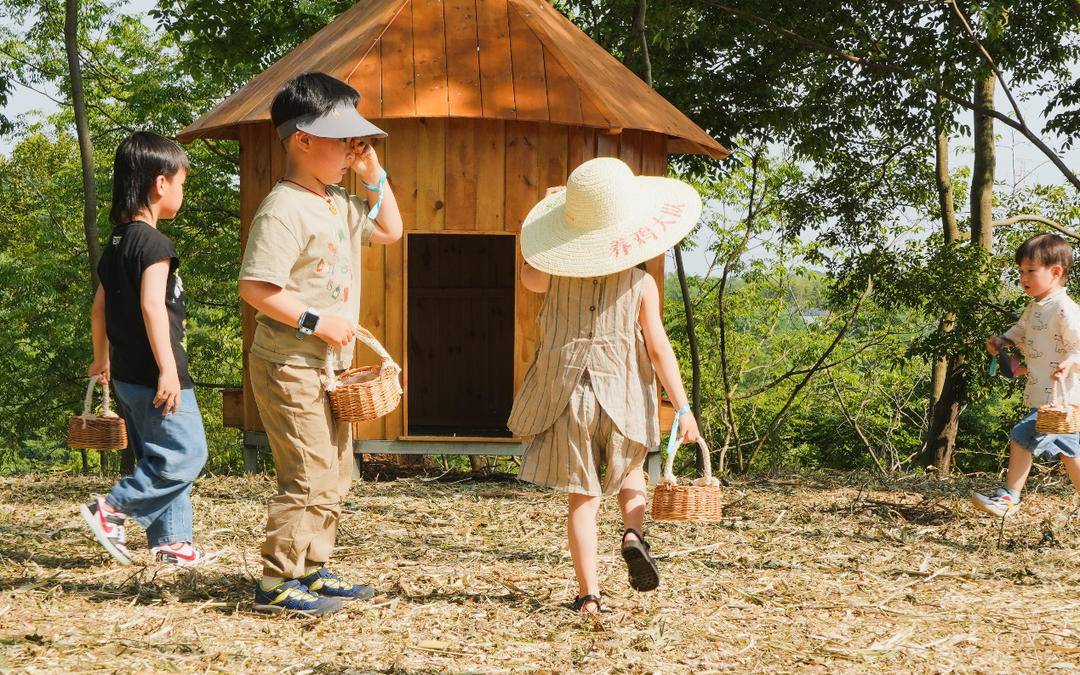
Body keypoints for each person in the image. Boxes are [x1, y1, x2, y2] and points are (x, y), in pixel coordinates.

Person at [238, 72, 403, 617]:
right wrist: (314, 321)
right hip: (290, 363)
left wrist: (373, 177)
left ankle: (313, 565)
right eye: (345, 139)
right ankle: (276, 581)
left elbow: (391, 231)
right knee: (308, 473)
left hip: (329, 366)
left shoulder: (336, 201)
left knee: (336, 469)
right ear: (303, 140)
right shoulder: (283, 208)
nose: (355, 148)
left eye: (360, 140)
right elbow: (256, 287)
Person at [507, 157, 703, 614]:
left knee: (584, 494)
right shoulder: (640, 284)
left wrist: (541, 220)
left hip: (567, 390)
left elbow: (529, 273)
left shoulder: (554, 275)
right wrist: (684, 408)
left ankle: (589, 597)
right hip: (626, 392)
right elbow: (658, 349)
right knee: (632, 474)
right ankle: (633, 534)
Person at [81, 131, 215, 567]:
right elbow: (151, 306)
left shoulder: (118, 242)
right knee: (186, 453)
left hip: (126, 376)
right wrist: (169, 370)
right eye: (181, 184)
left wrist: (101, 359)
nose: (181, 193)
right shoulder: (155, 244)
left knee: (158, 457)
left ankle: (172, 543)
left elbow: (99, 307)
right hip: (158, 376)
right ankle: (113, 509)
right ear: (160, 184)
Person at [972, 233, 1080, 517]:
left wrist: (1072, 360)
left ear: (1056, 272)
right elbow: (1020, 332)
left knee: (1022, 436)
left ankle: (1009, 498)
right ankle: (1010, 497)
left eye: (1031, 270)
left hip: (1063, 397)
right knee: (1071, 453)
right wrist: (1002, 341)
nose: (1024, 277)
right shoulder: (1037, 306)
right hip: (1044, 395)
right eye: (1021, 271)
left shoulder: (1064, 309)